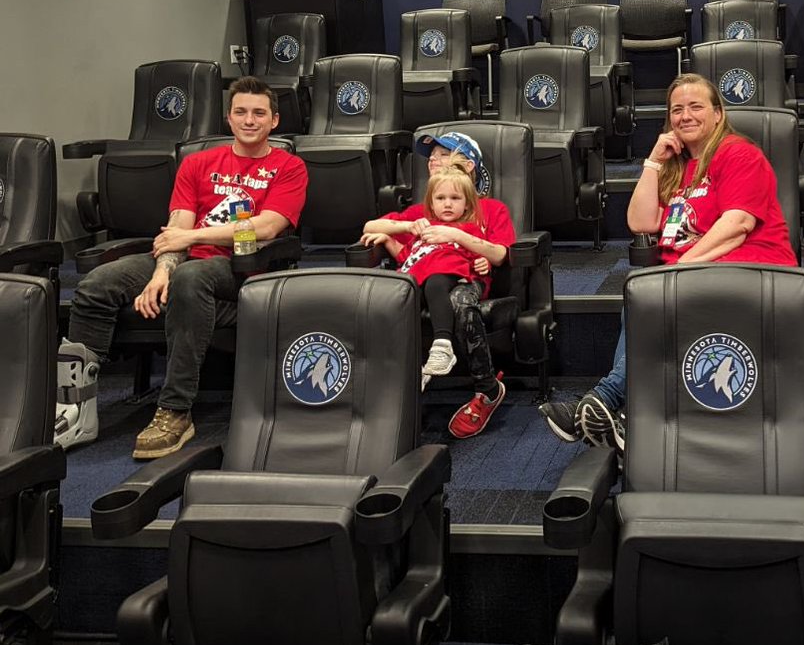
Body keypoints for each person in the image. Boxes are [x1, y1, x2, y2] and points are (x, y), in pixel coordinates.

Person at [540, 73, 797, 450]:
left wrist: (677, 270)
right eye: (677, 109)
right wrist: (653, 162)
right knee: (642, 289)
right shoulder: (678, 170)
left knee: (655, 292)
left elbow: (737, 225)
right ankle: (622, 414)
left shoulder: (739, 153)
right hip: (694, 273)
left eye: (696, 106)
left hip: (752, 269)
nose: (685, 115)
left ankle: (610, 402)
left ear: (718, 113)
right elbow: (640, 222)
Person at [56, 77, 308, 458]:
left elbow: (267, 226)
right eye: (241, 111)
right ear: (229, 117)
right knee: (97, 284)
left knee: (191, 277)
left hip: (242, 266)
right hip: (184, 259)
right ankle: (75, 406)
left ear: (274, 121)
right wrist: (161, 273)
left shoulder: (289, 167)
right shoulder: (198, 163)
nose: (249, 120)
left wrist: (189, 243)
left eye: (259, 113)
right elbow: (178, 226)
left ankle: (175, 410)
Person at [366, 131, 516, 438]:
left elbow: (501, 253)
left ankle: (486, 389)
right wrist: (403, 229)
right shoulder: (427, 210)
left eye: (442, 154)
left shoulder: (491, 209)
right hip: (420, 277)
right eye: (431, 156)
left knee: (459, 300)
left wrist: (462, 239)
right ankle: (394, 388)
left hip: (463, 279)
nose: (433, 160)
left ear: (468, 164)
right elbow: (373, 227)